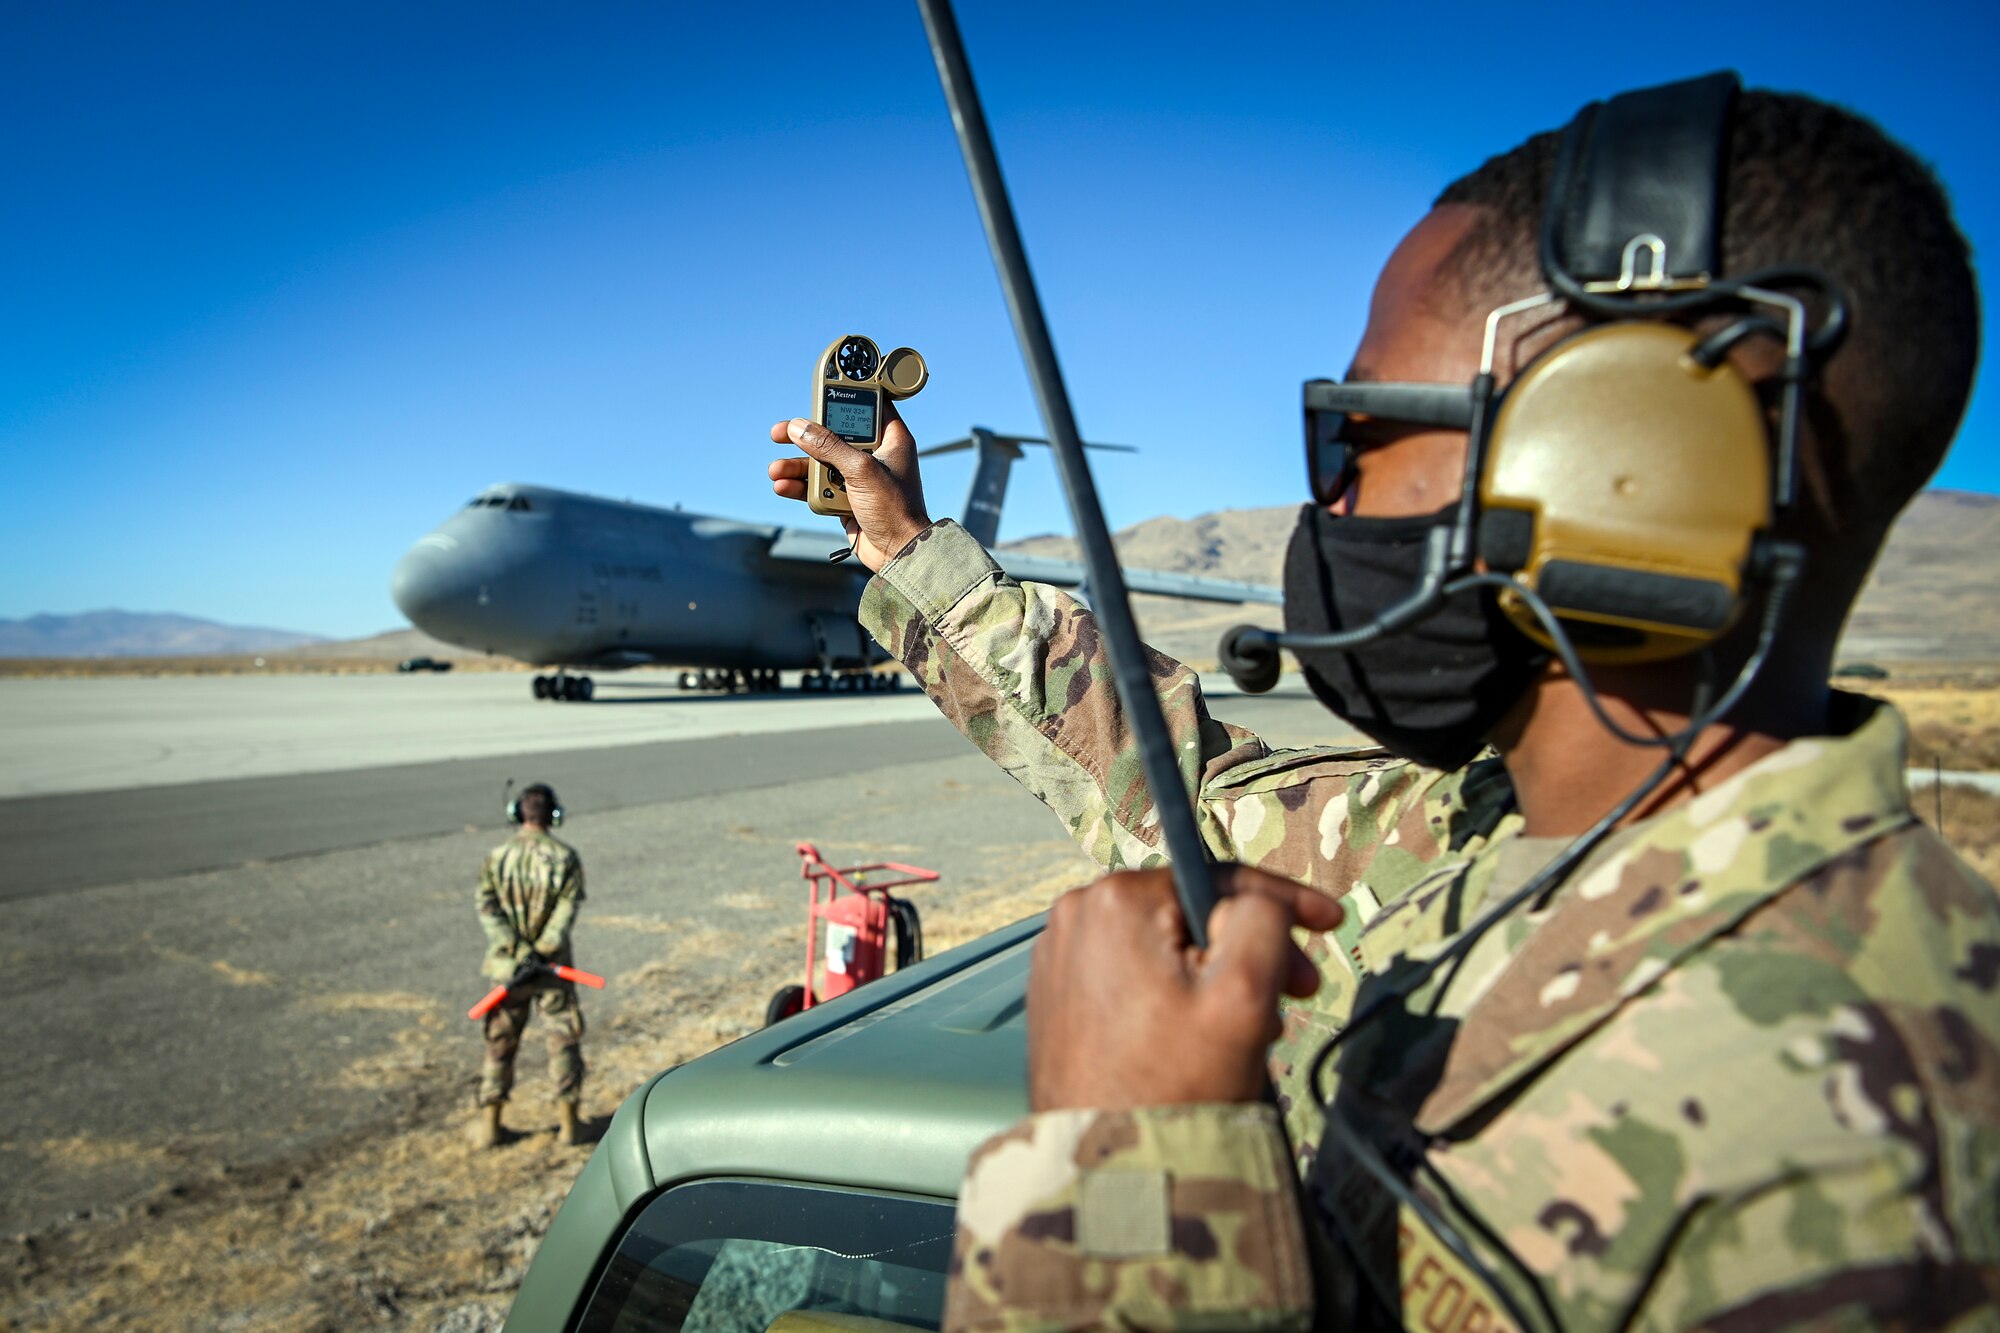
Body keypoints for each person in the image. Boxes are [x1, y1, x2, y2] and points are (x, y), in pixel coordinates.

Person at [768, 82, 2000, 1329]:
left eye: (1358, 430)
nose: (1330, 507)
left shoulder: (1867, 1177)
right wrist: (904, 545)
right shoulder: (1481, 840)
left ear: (1623, 465)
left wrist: (1123, 1165)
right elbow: (1180, 793)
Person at [473, 781, 587, 1148]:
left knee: (499, 1043)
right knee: (562, 1040)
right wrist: (542, 949)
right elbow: (566, 911)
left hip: (509, 970)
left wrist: (516, 950)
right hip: (552, 970)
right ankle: (569, 1126)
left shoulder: (497, 856)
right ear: (554, 815)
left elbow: (487, 907)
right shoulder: (564, 857)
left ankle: (490, 1124)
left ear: (516, 814)